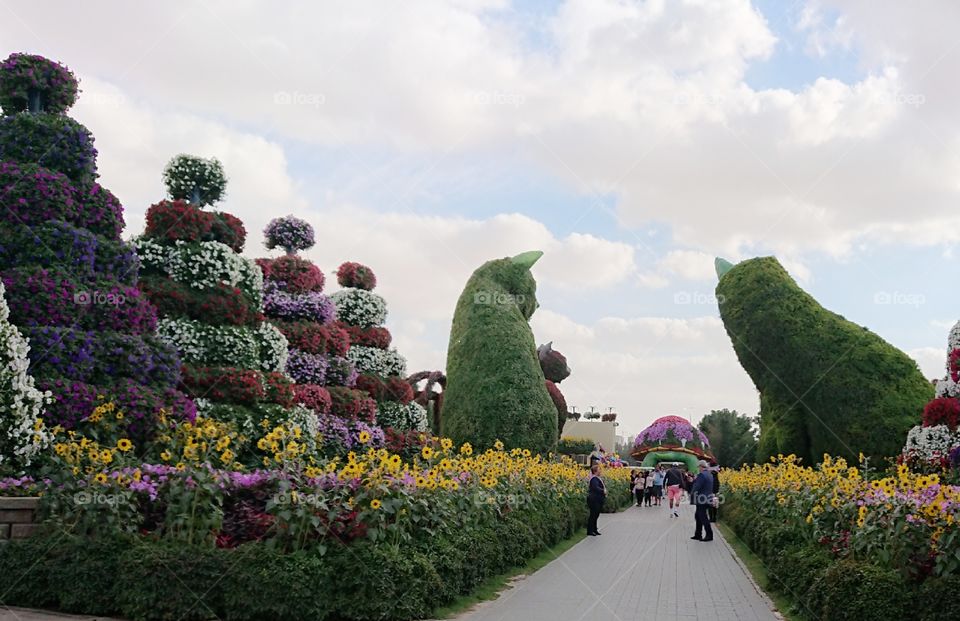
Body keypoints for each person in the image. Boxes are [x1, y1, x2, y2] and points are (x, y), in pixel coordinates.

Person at [690, 460, 714, 542]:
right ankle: (698, 534)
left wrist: (691, 493)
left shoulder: (702, 475)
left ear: (701, 466)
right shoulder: (709, 475)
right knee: (698, 516)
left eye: (698, 467)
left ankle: (709, 535)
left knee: (703, 517)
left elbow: (697, 486)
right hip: (708, 498)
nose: (698, 469)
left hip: (701, 499)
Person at [587, 463, 606, 536]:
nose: (600, 471)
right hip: (594, 500)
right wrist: (603, 491)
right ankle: (590, 530)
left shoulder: (597, 478)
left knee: (596, 515)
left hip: (598, 499)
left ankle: (594, 529)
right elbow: (595, 487)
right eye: (599, 470)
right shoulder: (594, 479)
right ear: (595, 471)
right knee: (593, 515)